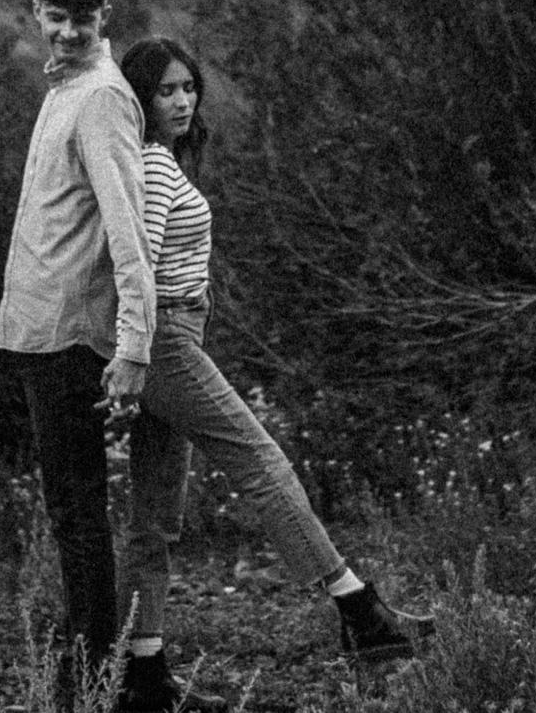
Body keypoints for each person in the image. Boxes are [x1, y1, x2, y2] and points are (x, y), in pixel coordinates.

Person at [114, 36, 433, 713]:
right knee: (260, 460)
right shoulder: (153, 165)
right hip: (163, 339)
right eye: (165, 90)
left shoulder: (153, 161)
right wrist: (137, 349)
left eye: (188, 87)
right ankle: (360, 609)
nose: (181, 101)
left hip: (165, 336)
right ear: (140, 98)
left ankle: (144, 673)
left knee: (154, 517)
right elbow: (134, 263)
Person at [0, 0, 155, 706]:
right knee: (71, 512)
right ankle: (92, 674)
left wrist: (133, 347)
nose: (66, 32)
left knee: (79, 514)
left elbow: (130, 233)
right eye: (55, 17)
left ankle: (94, 681)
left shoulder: (99, 98)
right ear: (35, 10)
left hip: (68, 336)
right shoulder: (65, 87)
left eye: (81, 21)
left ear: (104, 17)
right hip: (39, 331)